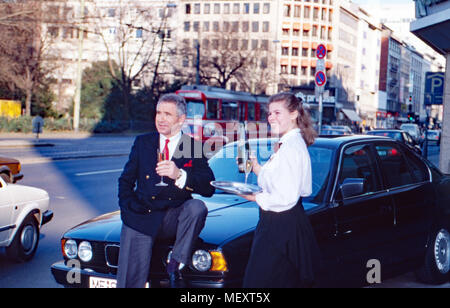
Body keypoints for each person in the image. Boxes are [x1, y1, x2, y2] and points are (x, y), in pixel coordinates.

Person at [117, 93, 215, 288]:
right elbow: (125, 181)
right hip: (142, 215)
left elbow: (208, 186)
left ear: (181, 119)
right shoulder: (143, 142)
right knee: (130, 280)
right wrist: (128, 210)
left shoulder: (192, 146)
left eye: (167, 114)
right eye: (158, 113)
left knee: (197, 207)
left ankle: (176, 264)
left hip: (173, 216)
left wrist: (179, 175)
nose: (161, 119)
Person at [240, 92, 321, 288]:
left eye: (277, 112)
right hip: (281, 224)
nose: (271, 118)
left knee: (261, 284)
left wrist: (254, 197)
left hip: (280, 225)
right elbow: (281, 181)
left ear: (293, 114)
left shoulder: (291, 146)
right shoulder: (287, 143)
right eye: (269, 113)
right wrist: (256, 167)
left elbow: (286, 197)